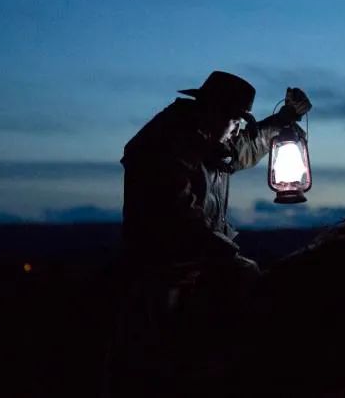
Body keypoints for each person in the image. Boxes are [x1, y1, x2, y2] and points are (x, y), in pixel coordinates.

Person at [106, 71, 311, 395]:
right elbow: (177, 213)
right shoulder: (166, 145)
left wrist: (283, 119)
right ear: (215, 113)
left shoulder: (206, 140)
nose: (237, 130)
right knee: (161, 360)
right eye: (235, 121)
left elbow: (245, 145)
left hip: (196, 259)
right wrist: (224, 253)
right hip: (163, 268)